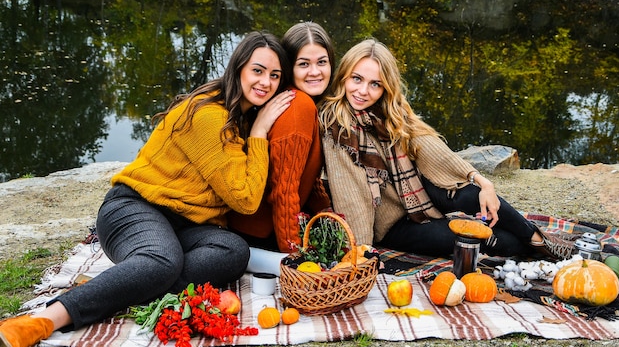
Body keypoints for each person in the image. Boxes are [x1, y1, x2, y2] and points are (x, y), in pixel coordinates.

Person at [0, 31, 296, 347]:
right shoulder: (210, 115)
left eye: (274, 75)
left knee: (232, 251)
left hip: (181, 224)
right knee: (162, 262)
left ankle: (126, 282)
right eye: (258, 70)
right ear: (238, 69)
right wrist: (261, 131)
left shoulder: (240, 116)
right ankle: (43, 320)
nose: (266, 81)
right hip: (133, 208)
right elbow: (245, 199)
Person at [318, 38, 575, 262]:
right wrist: (362, 251)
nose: (363, 91)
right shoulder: (337, 126)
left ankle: (537, 238)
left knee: (467, 195)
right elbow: (352, 195)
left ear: (386, 88)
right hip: (391, 224)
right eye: (357, 79)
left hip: (417, 199)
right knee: (470, 239)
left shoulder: (387, 112)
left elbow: (428, 147)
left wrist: (482, 181)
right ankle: (536, 245)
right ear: (344, 76)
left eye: (375, 84)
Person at [228, 22, 334, 273]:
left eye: (322, 62)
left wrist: (329, 215)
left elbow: (303, 171)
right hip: (257, 236)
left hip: (265, 229)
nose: (315, 72)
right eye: (303, 64)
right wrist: (295, 259)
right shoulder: (299, 107)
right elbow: (283, 191)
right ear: (289, 68)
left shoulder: (299, 101)